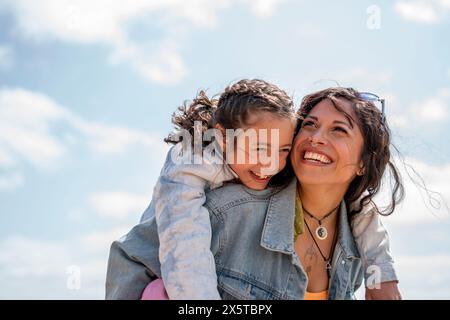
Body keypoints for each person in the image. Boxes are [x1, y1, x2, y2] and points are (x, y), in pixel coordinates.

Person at [105, 85, 402, 300]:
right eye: (309, 124)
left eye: (339, 129)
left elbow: (361, 208)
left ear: (364, 162)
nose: (315, 138)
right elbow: (143, 251)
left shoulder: (355, 243)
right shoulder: (221, 206)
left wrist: (382, 273)